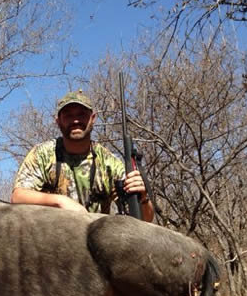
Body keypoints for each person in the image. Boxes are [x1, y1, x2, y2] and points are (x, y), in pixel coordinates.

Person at [11, 90, 154, 222]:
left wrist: (142, 198)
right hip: (50, 238)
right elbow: (18, 196)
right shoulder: (42, 154)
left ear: (93, 118)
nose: (75, 120)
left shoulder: (109, 162)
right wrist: (61, 201)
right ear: (58, 121)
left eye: (81, 114)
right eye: (68, 115)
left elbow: (144, 221)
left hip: (95, 240)